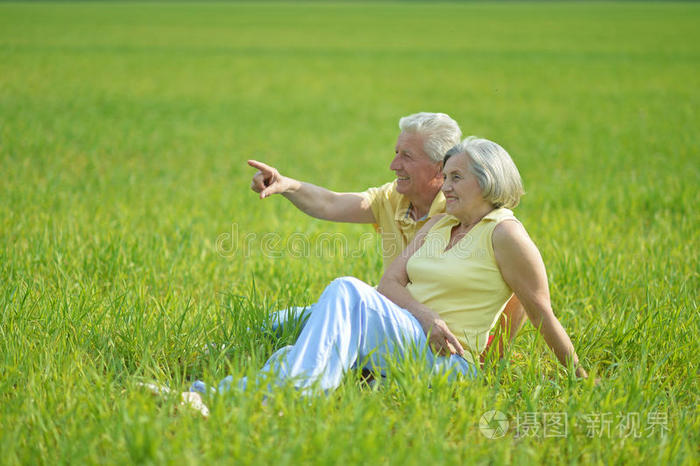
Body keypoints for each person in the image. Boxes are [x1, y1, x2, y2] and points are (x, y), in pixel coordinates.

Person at [188, 136, 587, 400]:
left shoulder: (506, 234)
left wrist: (580, 380)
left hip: (451, 362)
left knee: (345, 291)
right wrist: (427, 316)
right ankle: (206, 396)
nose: (445, 187)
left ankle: (296, 396)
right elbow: (389, 283)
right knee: (300, 350)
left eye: (457, 178)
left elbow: (539, 312)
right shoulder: (441, 222)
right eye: (445, 176)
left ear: (488, 181)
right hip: (412, 333)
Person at [248, 113, 526, 355]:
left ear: (440, 166)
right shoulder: (390, 198)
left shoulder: (463, 210)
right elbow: (330, 203)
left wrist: (494, 355)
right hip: (390, 316)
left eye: (406, 156)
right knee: (285, 322)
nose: (394, 165)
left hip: (436, 340)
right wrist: (286, 185)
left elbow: (516, 291)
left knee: (330, 311)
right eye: (396, 153)